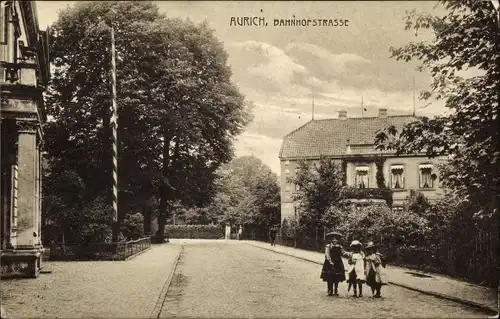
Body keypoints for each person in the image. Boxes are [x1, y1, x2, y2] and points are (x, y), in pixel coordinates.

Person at [320, 232, 346, 296]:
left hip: (338, 263)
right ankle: (330, 290)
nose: (335, 240)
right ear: (331, 240)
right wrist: (330, 261)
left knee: (337, 277)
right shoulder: (328, 246)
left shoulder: (340, 246)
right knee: (329, 277)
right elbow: (327, 254)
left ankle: (336, 290)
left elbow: (343, 253)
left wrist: (351, 255)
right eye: (333, 239)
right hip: (329, 263)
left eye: (336, 239)